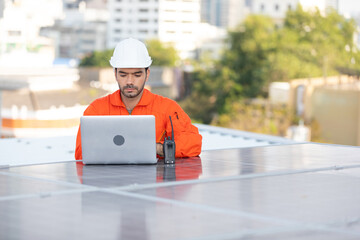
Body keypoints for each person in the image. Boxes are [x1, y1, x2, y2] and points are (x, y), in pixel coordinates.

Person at [75, 38, 202, 160]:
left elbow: (194, 143)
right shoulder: (96, 110)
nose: (130, 81)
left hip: (154, 181)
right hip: (110, 180)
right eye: (123, 74)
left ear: (147, 74)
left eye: (137, 75)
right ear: (115, 74)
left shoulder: (167, 108)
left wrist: (158, 148)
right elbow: (81, 153)